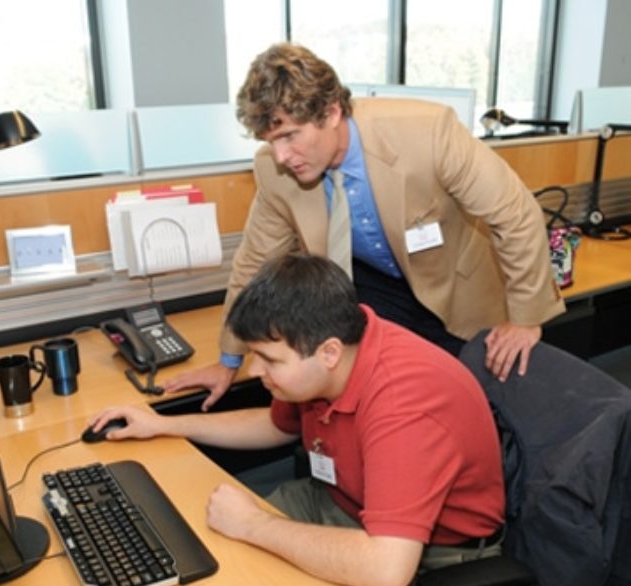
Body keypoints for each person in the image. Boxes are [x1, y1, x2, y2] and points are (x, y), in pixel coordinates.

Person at [163, 42, 565, 411]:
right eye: (272, 141)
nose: (282, 156)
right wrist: (229, 359)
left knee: (468, 405)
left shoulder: (427, 132)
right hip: (372, 288)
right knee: (376, 403)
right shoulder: (274, 171)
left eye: (290, 136)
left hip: (453, 282)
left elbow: (515, 214)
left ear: (331, 112)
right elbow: (253, 264)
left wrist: (526, 320)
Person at [90, 254, 505, 586]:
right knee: (210, 557)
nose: (255, 370)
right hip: (341, 502)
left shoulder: (403, 404)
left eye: (269, 359)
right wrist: (164, 424)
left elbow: (386, 569)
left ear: (328, 353)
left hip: (430, 554)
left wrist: (254, 525)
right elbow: (274, 427)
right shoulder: (332, 357)